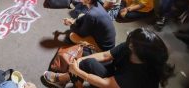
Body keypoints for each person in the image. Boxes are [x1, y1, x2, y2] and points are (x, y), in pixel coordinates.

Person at [44, 28, 174, 88]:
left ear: (138, 51)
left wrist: (78, 71)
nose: (128, 42)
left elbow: (107, 84)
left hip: (117, 84)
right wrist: (79, 61)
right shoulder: (131, 47)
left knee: (83, 66)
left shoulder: (138, 76)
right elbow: (106, 55)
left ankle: (63, 79)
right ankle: (65, 79)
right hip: (118, 72)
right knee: (85, 59)